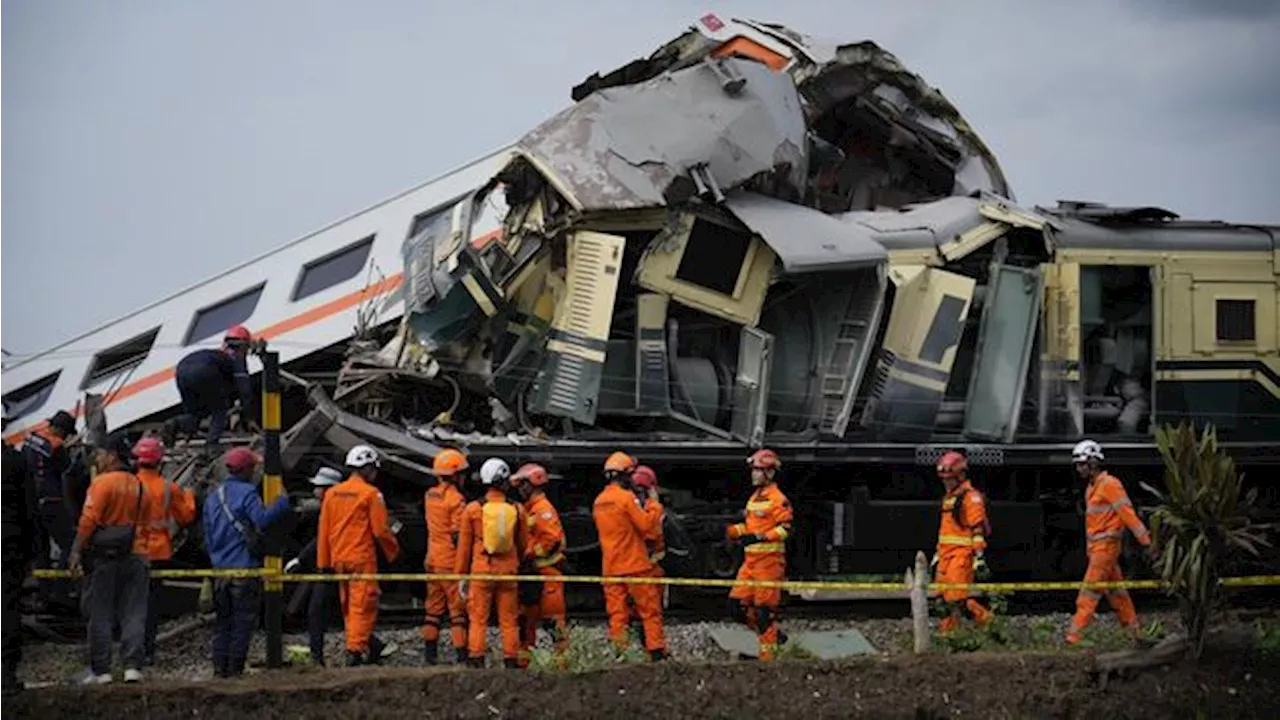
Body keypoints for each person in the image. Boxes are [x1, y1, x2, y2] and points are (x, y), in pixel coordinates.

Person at [67, 433, 152, 684]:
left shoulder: (102, 484)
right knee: (134, 613)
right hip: (135, 555)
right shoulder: (139, 486)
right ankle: (133, 667)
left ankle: (101, 671)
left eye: (101, 454)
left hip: (103, 559)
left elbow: (88, 521)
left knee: (100, 614)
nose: (98, 459)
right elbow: (145, 523)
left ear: (112, 456)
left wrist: (76, 550)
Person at [203, 446, 290, 678]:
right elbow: (261, 520)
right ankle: (236, 669)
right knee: (242, 622)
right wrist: (281, 502)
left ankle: (219, 669)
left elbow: (208, 535)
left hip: (220, 569)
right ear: (248, 470)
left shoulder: (214, 498)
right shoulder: (247, 493)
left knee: (223, 622)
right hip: (244, 569)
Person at [317, 445, 401, 666]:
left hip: (339, 558)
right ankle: (354, 652)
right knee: (362, 606)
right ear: (367, 468)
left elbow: (323, 530)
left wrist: (324, 562)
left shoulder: (332, 493)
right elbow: (381, 531)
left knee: (348, 606)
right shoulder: (371, 494)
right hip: (361, 559)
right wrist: (393, 553)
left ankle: (362, 646)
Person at [1065, 439, 1153, 645]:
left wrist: (1146, 541)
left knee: (1089, 591)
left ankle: (1073, 635)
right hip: (1098, 549)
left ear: (1093, 463)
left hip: (1105, 548)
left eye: (1081, 464)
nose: (1078, 469)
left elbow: (1128, 515)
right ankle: (1134, 631)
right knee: (1116, 591)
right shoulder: (1092, 488)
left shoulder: (1110, 485)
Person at [455, 458, 528, 668]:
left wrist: (460, 576)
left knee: (478, 619)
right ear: (504, 482)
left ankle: (476, 659)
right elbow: (523, 544)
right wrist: (518, 564)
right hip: (508, 572)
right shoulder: (517, 509)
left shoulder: (473, 509)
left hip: (481, 571)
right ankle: (511, 659)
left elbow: (464, 548)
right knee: (509, 620)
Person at [592, 451, 666, 661]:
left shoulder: (599, 501)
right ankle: (656, 653)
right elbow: (646, 528)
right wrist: (654, 505)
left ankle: (620, 655)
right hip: (635, 565)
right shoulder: (626, 499)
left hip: (611, 568)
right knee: (649, 612)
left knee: (617, 615)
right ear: (624, 475)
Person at [132, 435, 197, 666]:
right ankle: (147, 652)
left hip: (131, 551)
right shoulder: (168, 488)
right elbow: (186, 516)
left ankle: (129, 652)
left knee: (130, 603)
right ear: (159, 461)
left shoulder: (127, 485)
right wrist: (189, 495)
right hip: (158, 553)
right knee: (150, 605)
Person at [726, 448, 793, 661]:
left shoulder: (777, 499)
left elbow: (786, 530)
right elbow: (750, 527)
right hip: (751, 562)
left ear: (770, 473)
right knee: (736, 607)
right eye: (754, 470)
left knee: (764, 611)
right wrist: (731, 531)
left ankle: (767, 657)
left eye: (758, 470)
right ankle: (772, 637)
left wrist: (761, 537)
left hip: (769, 563)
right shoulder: (754, 498)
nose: (754, 474)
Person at [283, 466, 344, 666]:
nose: (315, 490)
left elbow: (321, 539)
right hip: (331, 565)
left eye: (319, 487)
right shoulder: (333, 507)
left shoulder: (333, 509)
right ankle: (373, 646)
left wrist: (300, 559)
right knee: (342, 611)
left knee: (318, 612)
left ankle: (318, 658)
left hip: (332, 566)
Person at [511, 462, 568, 668]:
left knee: (553, 624)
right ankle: (524, 666)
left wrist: (529, 554)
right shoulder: (531, 509)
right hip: (537, 575)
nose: (520, 489)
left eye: (522, 484)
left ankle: (562, 668)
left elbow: (551, 540)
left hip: (548, 575)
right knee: (526, 623)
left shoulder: (542, 509)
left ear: (532, 484)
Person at [930, 450, 994, 634]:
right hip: (945, 555)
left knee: (957, 599)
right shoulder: (950, 498)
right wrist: (937, 553)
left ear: (960, 476)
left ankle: (986, 624)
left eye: (949, 478)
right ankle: (947, 634)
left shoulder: (970, 498)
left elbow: (978, 528)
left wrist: (979, 556)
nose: (945, 482)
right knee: (942, 599)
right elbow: (946, 529)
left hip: (960, 555)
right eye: (943, 479)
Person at [165, 325, 255, 450]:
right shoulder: (236, 357)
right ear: (244, 345)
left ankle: (176, 423)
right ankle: (211, 446)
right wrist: (248, 415)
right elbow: (244, 390)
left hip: (182, 370)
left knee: (196, 412)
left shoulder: (216, 354)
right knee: (220, 410)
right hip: (205, 370)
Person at [421, 448, 469, 665]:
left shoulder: (429, 495)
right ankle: (461, 656)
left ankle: (430, 656)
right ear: (455, 474)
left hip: (432, 559)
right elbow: (459, 534)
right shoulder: (456, 499)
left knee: (433, 610)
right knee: (457, 611)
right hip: (449, 562)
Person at [0, 414, 37, 696]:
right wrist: (33, 552)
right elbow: (29, 508)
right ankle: (7, 676)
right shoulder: (15, 461)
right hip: (10, 546)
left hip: (11, 544)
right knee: (8, 608)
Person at [22, 410, 77, 572]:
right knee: (69, 543)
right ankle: (62, 585)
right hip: (52, 501)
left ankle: (45, 591)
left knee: (41, 548)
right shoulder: (57, 447)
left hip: (31, 500)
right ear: (61, 430)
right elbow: (67, 468)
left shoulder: (30, 440)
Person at [628, 465, 665, 648]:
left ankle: (632, 649)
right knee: (651, 613)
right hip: (649, 569)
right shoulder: (652, 509)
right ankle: (655, 650)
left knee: (632, 611)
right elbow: (652, 534)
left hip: (633, 567)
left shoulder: (627, 505)